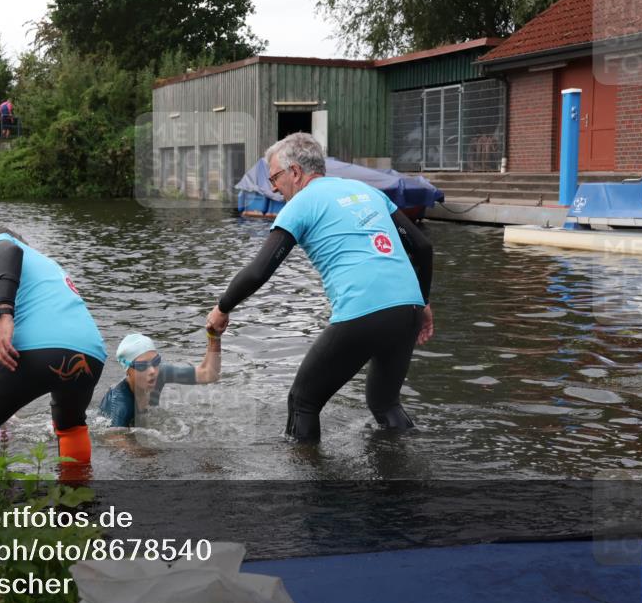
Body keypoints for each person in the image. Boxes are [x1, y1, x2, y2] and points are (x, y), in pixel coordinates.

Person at [206, 132, 434, 443]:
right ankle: (406, 479)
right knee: (385, 404)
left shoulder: (301, 204)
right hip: (407, 309)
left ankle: (308, 486)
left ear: (295, 172)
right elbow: (421, 247)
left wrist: (222, 308)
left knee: (303, 402)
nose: (273, 186)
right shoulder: (365, 191)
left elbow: (259, 271)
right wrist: (422, 303)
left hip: (362, 310)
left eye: (274, 177)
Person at [0, 224, 107, 475]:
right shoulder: (49, 266)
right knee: (71, 425)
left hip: (38, 349)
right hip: (91, 353)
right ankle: (75, 504)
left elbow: (8, 250)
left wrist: (4, 314)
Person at [99, 332, 221, 428]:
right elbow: (117, 441)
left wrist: (214, 336)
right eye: (142, 366)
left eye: (156, 361)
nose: (152, 370)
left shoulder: (160, 373)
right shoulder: (121, 405)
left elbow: (209, 374)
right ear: (127, 370)